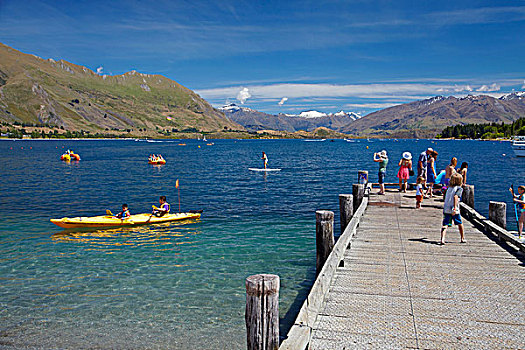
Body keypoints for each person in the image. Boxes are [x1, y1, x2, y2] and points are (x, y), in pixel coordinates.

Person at [440, 173, 466, 245]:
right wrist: (455, 207)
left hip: (446, 208)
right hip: (454, 209)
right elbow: (456, 197)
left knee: (445, 224)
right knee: (459, 223)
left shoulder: (449, 188)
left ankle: (442, 239)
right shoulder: (459, 188)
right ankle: (462, 238)